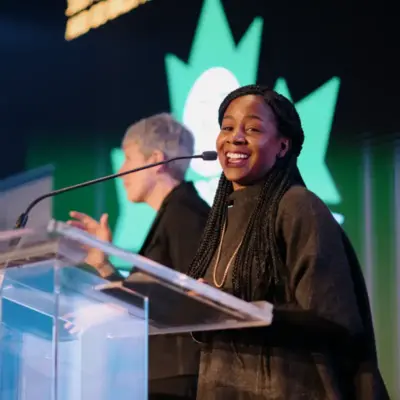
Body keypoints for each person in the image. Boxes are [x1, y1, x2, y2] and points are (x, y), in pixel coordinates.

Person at [187, 85, 389, 399]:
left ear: (282, 147)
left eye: (252, 129)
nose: (235, 138)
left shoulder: (298, 206)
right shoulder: (221, 218)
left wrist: (233, 307)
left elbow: (332, 318)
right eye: (227, 127)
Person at [68, 113, 210, 399]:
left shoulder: (186, 214)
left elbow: (194, 295)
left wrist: (105, 310)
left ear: (155, 159)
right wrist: (103, 263)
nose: (121, 171)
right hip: (165, 373)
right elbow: (148, 303)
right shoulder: (174, 213)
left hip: (179, 377)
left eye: (129, 158)